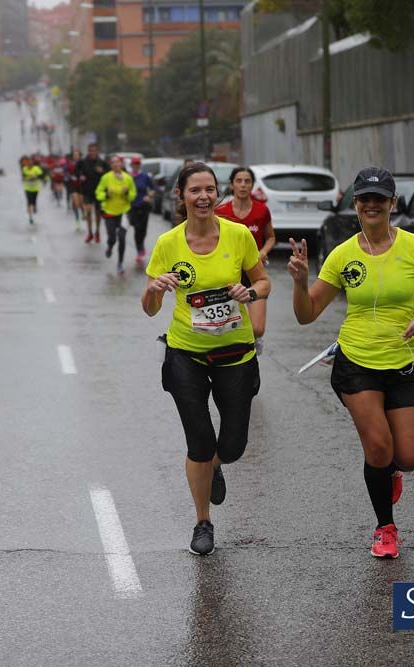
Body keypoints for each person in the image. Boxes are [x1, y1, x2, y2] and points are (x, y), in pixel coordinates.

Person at [287, 166, 414, 559]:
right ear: (355, 204)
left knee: (409, 457)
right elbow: (306, 314)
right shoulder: (342, 254)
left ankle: (390, 470)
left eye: (380, 198)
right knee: (378, 447)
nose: (372, 205)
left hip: (405, 363)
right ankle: (385, 528)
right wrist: (299, 283)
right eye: (365, 198)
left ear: (392, 203)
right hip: (356, 362)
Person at [142, 162, 271, 556]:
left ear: (218, 193)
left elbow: (263, 281)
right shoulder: (168, 244)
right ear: (181, 196)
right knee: (199, 442)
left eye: (210, 189)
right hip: (186, 352)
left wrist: (250, 292)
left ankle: (217, 464)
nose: (203, 197)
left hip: (235, 353)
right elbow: (149, 308)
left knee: (231, 447)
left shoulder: (237, 235)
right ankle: (203, 522)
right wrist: (155, 289)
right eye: (195, 190)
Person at [216, 167, 275, 348]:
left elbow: (271, 238)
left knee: (257, 328)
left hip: (253, 273)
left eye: (247, 181)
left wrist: (263, 251)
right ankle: (237, 349)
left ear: (252, 185)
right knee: (226, 327)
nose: (243, 185)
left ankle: (252, 340)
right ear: (232, 184)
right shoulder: (221, 211)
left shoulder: (262, 210)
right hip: (228, 275)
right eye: (239, 181)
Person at [95, 156, 137, 275]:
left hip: (124, 212)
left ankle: (120, 263)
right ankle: (109, 247)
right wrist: (106, 195)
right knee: (112, 237)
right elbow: (98, 192)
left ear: (121, 164)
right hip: (109, 212)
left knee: (122, 238)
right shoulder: (106, 177)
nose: (115, 164)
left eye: (117, 162)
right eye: (113, 162)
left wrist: (127, 193)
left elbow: (133, 195)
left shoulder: (128, 178)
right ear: (111, 165)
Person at [76, 143, 109, 244]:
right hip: (87, 190)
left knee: (98, 213)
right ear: (88, 151)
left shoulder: (102, 162)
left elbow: (108, 174)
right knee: (89, 211)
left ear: (97, 151)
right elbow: (77, 171)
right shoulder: (82, 162)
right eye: (91, 151)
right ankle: (90, 233)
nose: (92, 153)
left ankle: (97, 232)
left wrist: (102, 171)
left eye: (94, 151)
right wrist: (80, 176)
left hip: (99, 191)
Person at [128, 157, 155, 265]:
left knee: (143, 229)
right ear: (131, 165)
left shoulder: (145, 176)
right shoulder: (128, 177)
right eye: (134, 164)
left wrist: (149, 196)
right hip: (132, 206)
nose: (136, 166)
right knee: (137, 228)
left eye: (137, 164)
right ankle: (139, 249)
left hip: (144, 206)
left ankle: (141, 245)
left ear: (139, 165)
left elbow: (153, 189)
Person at [21, 155, 44, 225]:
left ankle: (34, 207)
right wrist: (28, 178)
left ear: (32, 163)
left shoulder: (36, 168)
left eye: (30, 163)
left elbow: (41, 175)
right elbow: (23, 177)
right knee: (29, 202)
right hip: (27, 188)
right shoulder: (24, 169)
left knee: (34, 201)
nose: (29, 164)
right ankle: (30, 217)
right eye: (28, 163)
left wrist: (35, 177)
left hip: (35, 188)